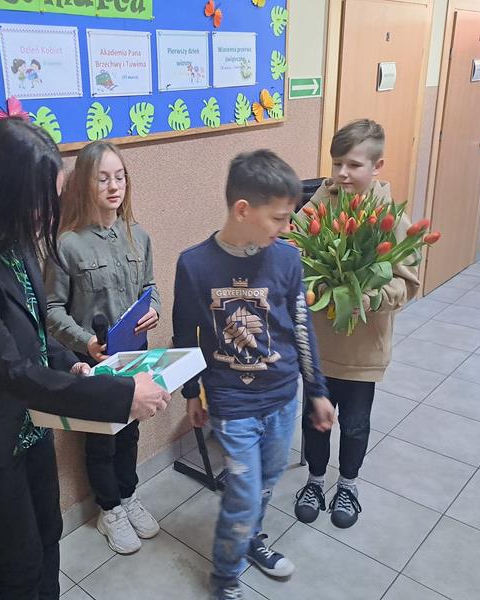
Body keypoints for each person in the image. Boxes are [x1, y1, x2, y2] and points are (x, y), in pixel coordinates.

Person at [0, 118, 170, 600]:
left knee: (48, 537)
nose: (48, 211)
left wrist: (68, 362)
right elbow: (11, 372)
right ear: (4, 194)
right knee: (20, 565)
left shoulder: (13, 244)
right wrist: (120, 395)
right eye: (41, 199)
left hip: (31, 430)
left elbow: (35, 331)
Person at [172, 150, 335, 600]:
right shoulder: (194, 264)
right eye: (279, 218)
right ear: (243, 210)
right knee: (243, 492)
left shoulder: (286, 260)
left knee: (265, 482)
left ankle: (250, 539)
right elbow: (186, 335)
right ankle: (225, 577)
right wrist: (192, 392)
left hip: (283, 397)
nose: (286, 227)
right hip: (232, 400)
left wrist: (317, 390)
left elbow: (300, 327)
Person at [294, 119, 420, 529]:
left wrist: (370, 298)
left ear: (377, 166)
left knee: (354, 424)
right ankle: (315, 481)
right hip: (320, 344)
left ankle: (348, 485)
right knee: (315, 418)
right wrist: (313, 283)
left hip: (363, 348)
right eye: (337, 164)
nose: (342, 174)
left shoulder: (390, 216)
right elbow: (294, 249)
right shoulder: (320, 204)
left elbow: (407, 283)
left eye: (353, 165)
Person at [44, 141, 161, 555]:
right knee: (101, 438)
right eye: (103, 179)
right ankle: (108, 509)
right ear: (84, 185)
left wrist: (155, 309)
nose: (114, 187)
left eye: (120, 177)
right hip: (92, 359)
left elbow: (150, 287)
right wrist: (85, 342)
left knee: (130, 430)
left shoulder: (138, 236)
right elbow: (51, 310)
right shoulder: (66, 244)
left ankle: (128, 495)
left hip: (135, 354)